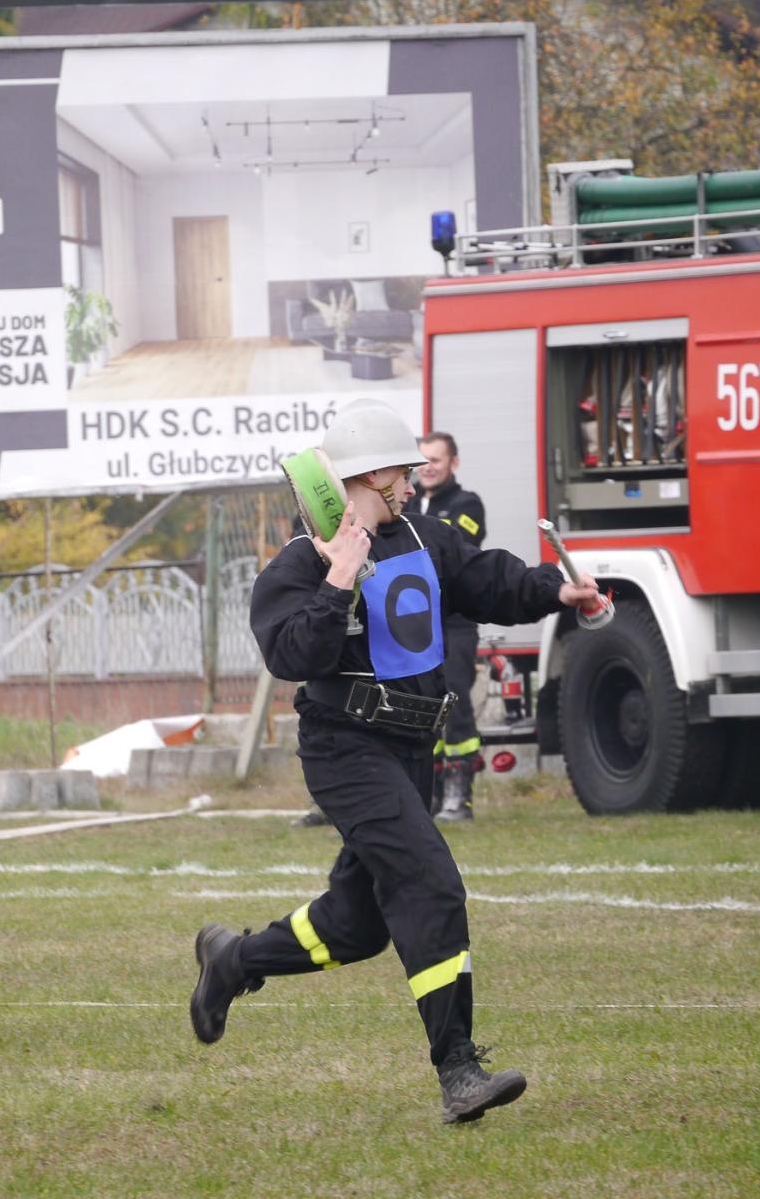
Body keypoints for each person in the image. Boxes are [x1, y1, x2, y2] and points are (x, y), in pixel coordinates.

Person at [190, 398, 600, 1125]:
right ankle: (459, 1069)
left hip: (416, 748)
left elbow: (486, 580)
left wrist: (555, 590)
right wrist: (336, 582)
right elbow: (291, 655)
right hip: (346, 751)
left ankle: (234, 961)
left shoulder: (423, 535)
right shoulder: (296, 564)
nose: (413, 483)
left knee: (357, 926)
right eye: (403, 473)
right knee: (430, 885)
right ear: (368, 475)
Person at [413, 431, 487, 822]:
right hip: (415, 624)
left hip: (455, 623)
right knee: (422, 709)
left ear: (452, 463)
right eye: (422, 459)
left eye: (436, 460)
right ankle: (429, 793)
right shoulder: (406, 503)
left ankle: (461, 794)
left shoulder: (467, 505)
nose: (427, 466)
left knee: (454, 703)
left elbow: (446, 550)